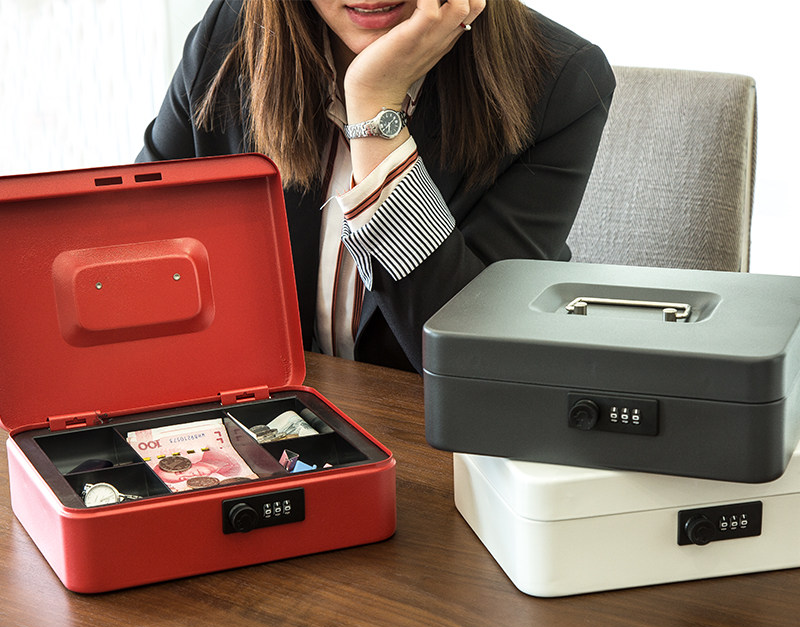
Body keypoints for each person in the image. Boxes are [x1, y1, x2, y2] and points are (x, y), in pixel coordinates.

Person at [137, 0, 615, 373]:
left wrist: (374, 108)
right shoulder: (234, 32)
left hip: (437, 442)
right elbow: (138, 250)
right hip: (267, 420)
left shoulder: (559, 81)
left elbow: (470, 359)